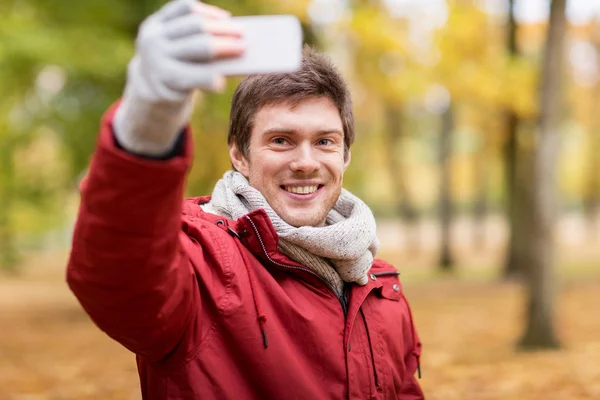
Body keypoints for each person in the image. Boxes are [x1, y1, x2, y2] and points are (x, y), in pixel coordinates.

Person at [66, 0, 424, 399]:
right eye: (281, 140)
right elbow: (118, 279)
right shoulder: (201, 267)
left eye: (324, 141)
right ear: (239, 155)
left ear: (345, 155)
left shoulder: (379, 286)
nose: (306, 163)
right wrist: (148, 119)